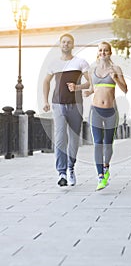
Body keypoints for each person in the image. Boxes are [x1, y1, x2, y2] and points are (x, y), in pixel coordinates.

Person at [43, 33, 90, 187]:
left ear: (72, 45)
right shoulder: (54, 63)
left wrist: (77, 87)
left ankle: (71, 167)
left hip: (76, 105)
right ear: (60, 44)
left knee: (74, 140)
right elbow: (46, 82)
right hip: (58, 104)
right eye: (63, 42)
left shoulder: (80, 62)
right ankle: (62, 172)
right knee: (60, 138)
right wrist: (45, 101)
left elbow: (90, 83)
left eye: (69, 42)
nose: (66, 44)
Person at [83, 41, 128, 190]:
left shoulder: (116, 69)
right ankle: (100, 176)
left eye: (106, 50)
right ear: (98, 53)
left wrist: (115, 78)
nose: (103, 53)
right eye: (101, 50)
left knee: (108, 143)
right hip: (95, 110)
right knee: (98, 143)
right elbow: (92, 88)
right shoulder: (92, 70)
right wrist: (87, 92)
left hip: (111, 112)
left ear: (110, 52)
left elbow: (125, 89)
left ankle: (106, 167)